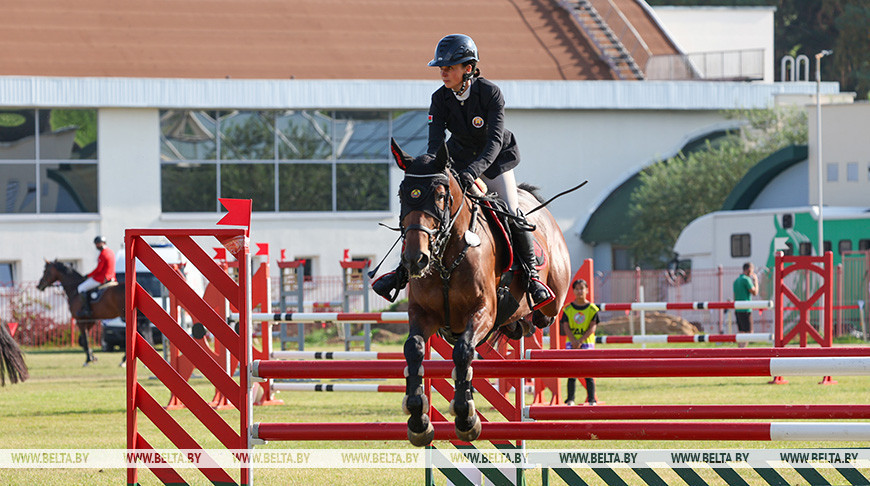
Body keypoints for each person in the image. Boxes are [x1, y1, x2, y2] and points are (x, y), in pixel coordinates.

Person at [373, 33, 554, 308]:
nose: (443, 73)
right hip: (456, 160)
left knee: (511, 212)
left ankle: (531, 278)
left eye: (449, 68)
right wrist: (430, 167)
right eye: (441, 68)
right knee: (426, 209)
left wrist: (472, 172)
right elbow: (435, 144)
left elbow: (493, 142)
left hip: (494, 162)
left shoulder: (490, 94)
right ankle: (403, 272)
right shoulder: (439, 98)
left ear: (468, 69)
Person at [560, 279, 598, 405]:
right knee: (572, 373)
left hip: (587, 345)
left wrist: (580, 341)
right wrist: (574, 341)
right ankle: (570, 399)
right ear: (573, 291)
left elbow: (592, 327)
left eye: (582, 288)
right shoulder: (568, 309)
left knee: (589, 373)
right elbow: (565, 326)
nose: (580, 291)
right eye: (577, 288)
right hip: (572, 345)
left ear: (587, 290)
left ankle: (591, 399)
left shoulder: (593, 309)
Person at [76, 236, 116, 318]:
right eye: (96, 244)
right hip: (112, 278)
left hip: (102, 278)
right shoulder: (111, 252)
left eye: (98, 243)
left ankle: (87, 310)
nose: (97, 245)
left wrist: (88, 275)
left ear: (103, 243)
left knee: (81, 288)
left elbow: (98, 269)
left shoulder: (103, 254)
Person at [732, 262, 758, 348]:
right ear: (749, 270)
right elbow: (755, 292)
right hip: (746, 309)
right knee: (749, 332)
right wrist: (755, 281)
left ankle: (740, 350)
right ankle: (743, 350)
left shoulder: (736, 281)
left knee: (741, 332)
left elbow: (734, 297)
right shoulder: (746, 280)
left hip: (738, 309)